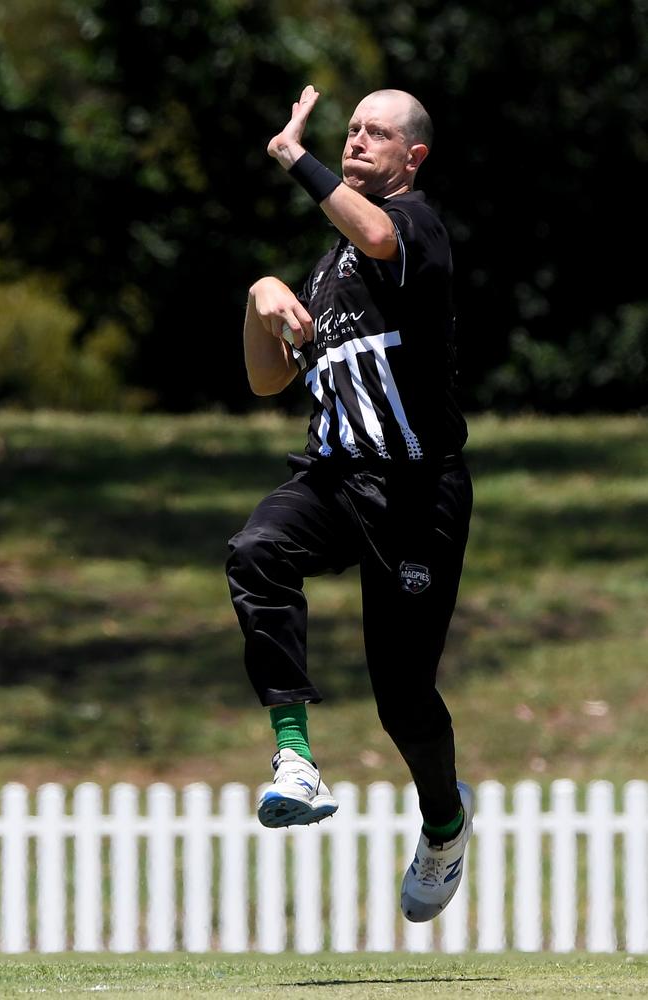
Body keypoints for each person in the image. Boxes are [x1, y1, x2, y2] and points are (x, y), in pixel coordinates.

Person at [226, 84, 474, 923]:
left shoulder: (413, 228)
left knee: (403, 696)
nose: (360, 140)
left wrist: (295, 154)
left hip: (414, 492)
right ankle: (294, 758)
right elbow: (268, 379)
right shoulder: (328, 270)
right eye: (352, 128)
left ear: (414, 157)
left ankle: (445, 824)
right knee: (256, 552)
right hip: (333, 479)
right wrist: (262, 293)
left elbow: (372, 229)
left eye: (378, 133)